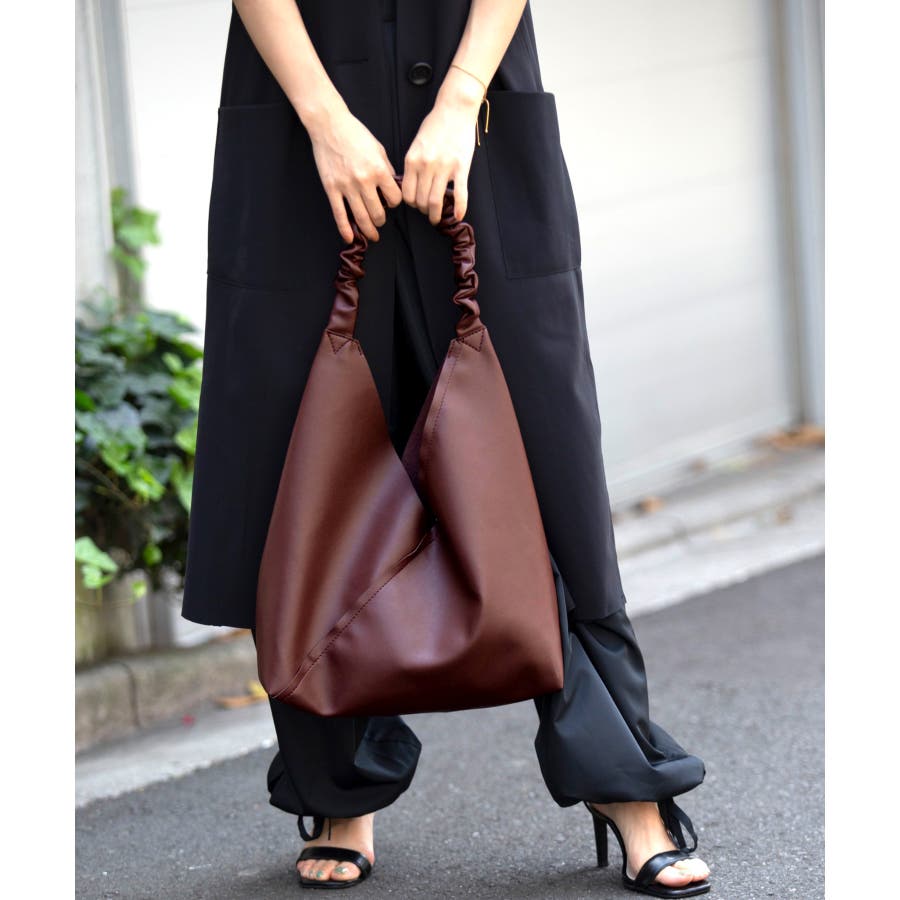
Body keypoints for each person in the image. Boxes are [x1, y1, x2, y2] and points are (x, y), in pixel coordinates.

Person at [180, 0, 713, 895]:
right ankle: (340, 787)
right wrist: (324, 120)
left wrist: (463, 99)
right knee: (309, 461)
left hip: (478, 114)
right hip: (303, 122)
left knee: (543, 461)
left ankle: (628, 784)